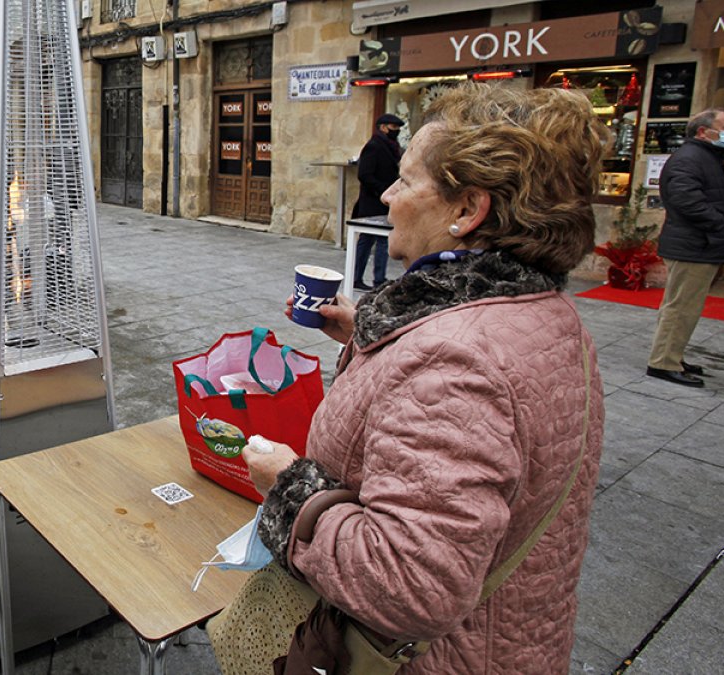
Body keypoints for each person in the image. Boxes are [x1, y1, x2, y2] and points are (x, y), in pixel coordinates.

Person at [242, 83, 606, 673]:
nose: (386, 194)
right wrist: (371, 337)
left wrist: (288, 484)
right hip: (512, 640)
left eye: (406, 181)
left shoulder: (454, 360)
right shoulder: (540, 313)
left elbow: (408, 585)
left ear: (467, 210)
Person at [645, 108, 724, 387]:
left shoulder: (705, 157)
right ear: (703, 131)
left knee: (682, 305)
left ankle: (671, 355)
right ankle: (663, 362)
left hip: (698, 243)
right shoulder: (691, 158)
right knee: (681, 307)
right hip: (694, 244)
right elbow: (685, 199)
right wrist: (718, 222)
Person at [350, 113, 403, 291]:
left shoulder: (392, 146)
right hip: (372, 201)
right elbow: (364, 175)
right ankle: (357, 277)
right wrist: (383, 191)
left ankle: (378, 279)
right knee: (368, 239)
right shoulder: (374, 146)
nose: (396, 132)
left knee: (382, 240)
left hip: (384, 202)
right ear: (383, 127)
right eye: (393, 128)